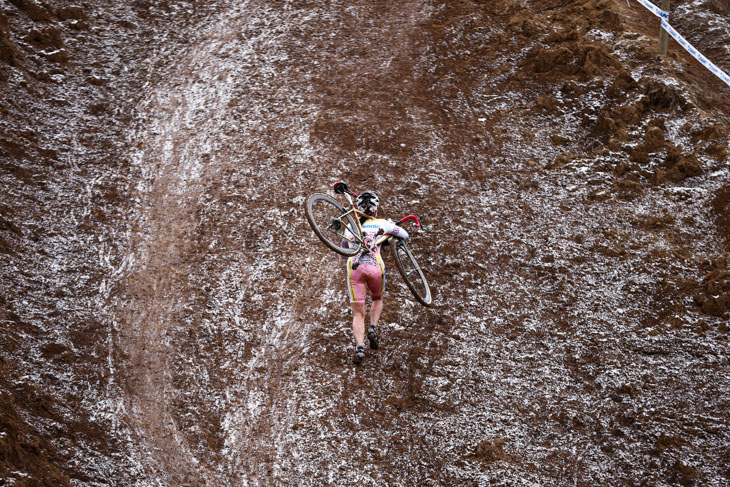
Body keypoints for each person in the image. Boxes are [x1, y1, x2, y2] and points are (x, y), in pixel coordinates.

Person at [342, 190, 408, 364]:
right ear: (375, 209)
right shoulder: (382, 223)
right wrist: (388, 234)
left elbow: (343, 252)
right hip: (375, 267)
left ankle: (359, 348)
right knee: (377, 298)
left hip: (354, 269)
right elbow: (404, 235)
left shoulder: (350, 228)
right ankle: (373, 328)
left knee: (357, 313)